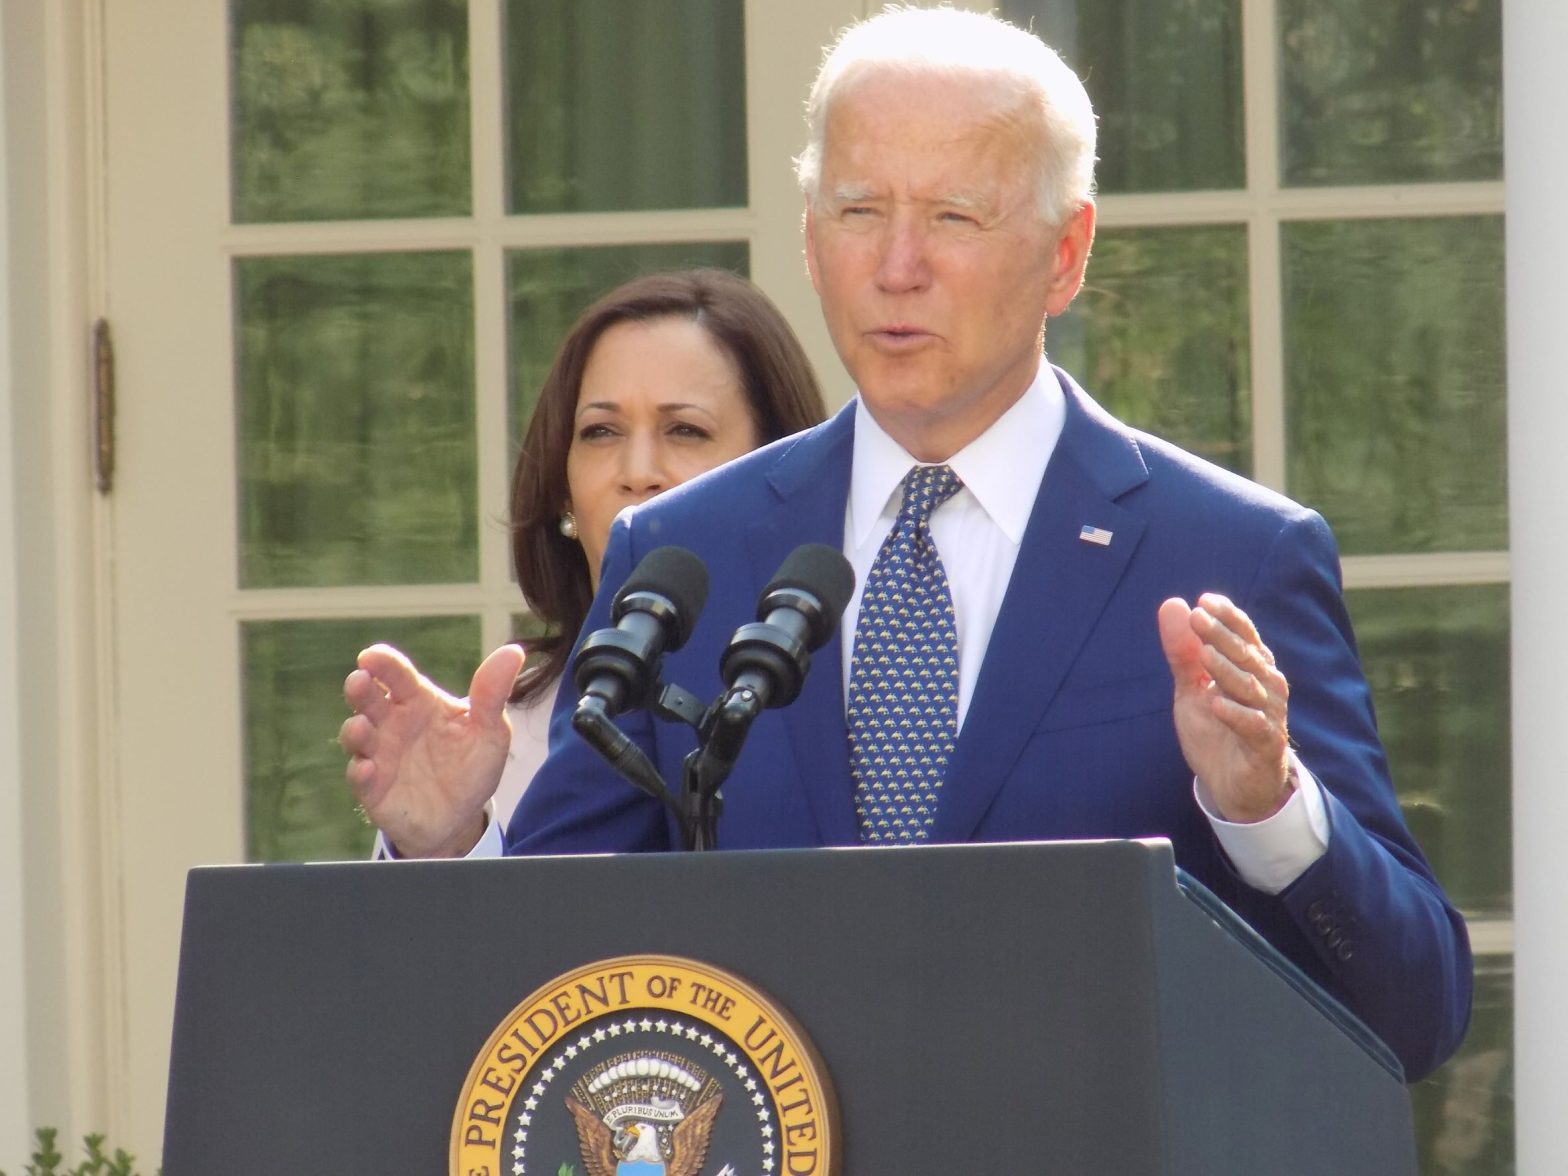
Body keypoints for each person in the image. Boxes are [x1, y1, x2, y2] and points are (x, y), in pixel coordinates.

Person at [345, 7, 1471, 1082]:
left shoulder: (1227, 553)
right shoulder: (682, 550)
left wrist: (1265, 807)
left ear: (1066, 252)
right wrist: (448, 853)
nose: (895, 266)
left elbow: (1411, 1016)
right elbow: (558, 977)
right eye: (856, 212)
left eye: (952, 217)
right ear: (807, 237)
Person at [342, 268, 826, 838]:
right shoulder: (496, 742)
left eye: (686, 431)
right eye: (601, 432)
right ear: (563, 491)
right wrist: (451, 846)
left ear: (778, 471)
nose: (638, 473)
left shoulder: (855, 698)